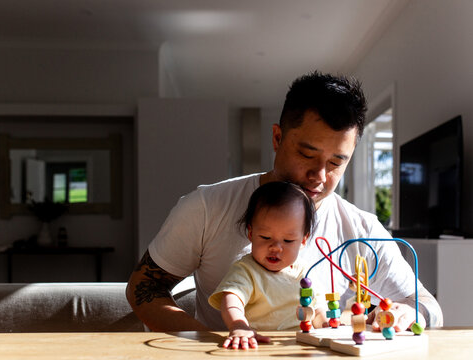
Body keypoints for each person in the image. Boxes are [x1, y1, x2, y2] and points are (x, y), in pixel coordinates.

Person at [126, 71, 443, 333]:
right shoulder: (207, 207)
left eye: (336, 163)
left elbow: (429, 306)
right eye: (307, 154)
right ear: (277, 138)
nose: (319, 175)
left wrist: (413, 315)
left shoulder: (363, 229)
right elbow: (144, 287)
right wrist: (203, 339)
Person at [208, 181, 326, 349]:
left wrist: (325, 325)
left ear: (303, 240)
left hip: (299, 348)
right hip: (257, 345)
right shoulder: (246, 270)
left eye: (288, 240)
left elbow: (317, 310)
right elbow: (232, 299)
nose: (275, 247)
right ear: (251, 233)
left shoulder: (304, 273)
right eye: (265, 237)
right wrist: (239, 325)